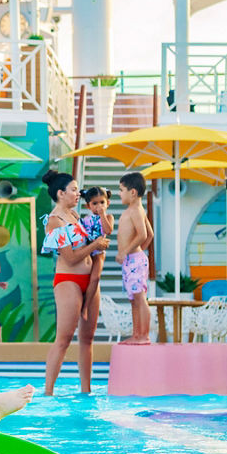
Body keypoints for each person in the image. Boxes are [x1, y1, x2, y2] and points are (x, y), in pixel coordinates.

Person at [41, 169, 109, 396]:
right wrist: (95, 245)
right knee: (64, 337)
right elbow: (69, 257)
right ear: (60, 193)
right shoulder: (55, 221)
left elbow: (97, 239)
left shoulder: (76, 217)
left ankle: (86, 390)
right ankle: (48, 392)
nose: (78, 193)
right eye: (73, 190)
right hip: (68, 280)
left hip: (89, 279)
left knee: (88, 337)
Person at [116, 172, 154, 344]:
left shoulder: (136, 211)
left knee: (140, 298)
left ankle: (144, 335)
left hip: (133, 259)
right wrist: (138, 253)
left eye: (121, 190)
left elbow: (143, 234)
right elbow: (150, 235)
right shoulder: (134, 210)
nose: (119, 194)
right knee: (133, 299)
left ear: (132, 192)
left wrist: (128, 252)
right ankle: (136, 334)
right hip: (133, 260)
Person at [78, 187, 114, 350]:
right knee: (85, 278)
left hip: (98, 253)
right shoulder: (84, 219)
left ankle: (86, 306)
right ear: (88, 206)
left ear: (108, 203)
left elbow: (108, 230)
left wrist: (102, 215)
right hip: (87, 252)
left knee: (96, 278)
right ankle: (80, 303)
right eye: (94, 204)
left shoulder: (108, 217)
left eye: (102, 202)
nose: (98, 206)